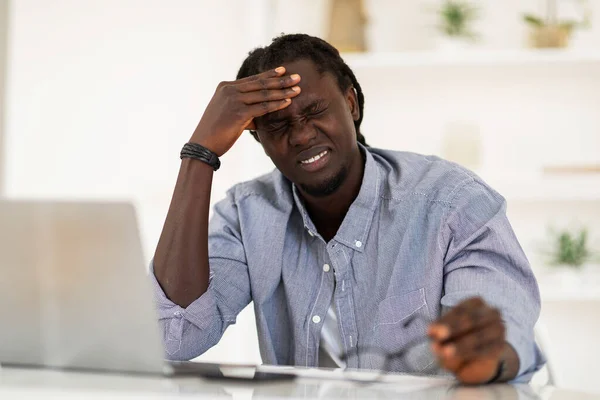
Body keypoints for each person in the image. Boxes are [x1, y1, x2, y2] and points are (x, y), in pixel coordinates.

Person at [151, 34, 544, 384]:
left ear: (351, 103)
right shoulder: (246, 214)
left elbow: (505, 336)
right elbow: (177, 336)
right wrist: (200, 154)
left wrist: (488, 357)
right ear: (256, 138)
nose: (302, 134)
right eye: (277, 125)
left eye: (314, 111)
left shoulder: (452, 202)